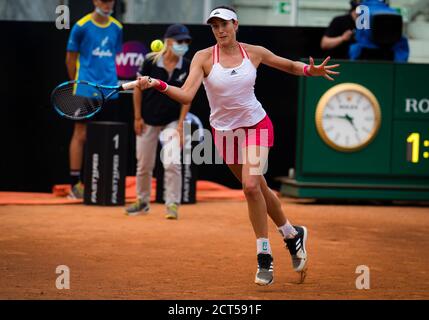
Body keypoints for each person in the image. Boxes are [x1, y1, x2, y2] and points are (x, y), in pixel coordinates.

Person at [137, 6, 339, 285]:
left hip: (256, 126)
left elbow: (289, 65)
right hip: (224, 133)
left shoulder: (253, 52)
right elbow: (185, 96)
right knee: (261, 190)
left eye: (224, 25)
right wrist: (158, 83)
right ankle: (292, 234)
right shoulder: (203, 57)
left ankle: (264, 257)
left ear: (235, 24)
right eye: (215, 26)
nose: (220, 31)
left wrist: (309, 70)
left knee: (250, 186)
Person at [125, 24, 192, 220]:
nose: (184, 45)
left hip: (172, 121)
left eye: (186, 41)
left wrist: (180, 126)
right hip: (148, 120)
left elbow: (187, 97)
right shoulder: (150, 62)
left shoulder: (187, 66)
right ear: (168, 42)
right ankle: (142, 201)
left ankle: (172, 204)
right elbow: (137, 89)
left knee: (172, 163)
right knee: (144, 164)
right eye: (180, 41)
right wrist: (137, 117)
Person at [66, 0, 123, 199]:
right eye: (103, 0)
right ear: (95, 1)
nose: (108, 4)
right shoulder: (81, 27)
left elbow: (112, 57)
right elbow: (70, 60)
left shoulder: (117, 27)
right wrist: (78, 84)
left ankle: (102, 184)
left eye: (111, 1)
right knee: (80, 134)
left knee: (106, 136)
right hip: (84, 89)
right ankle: (75, 185)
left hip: (109, 90)